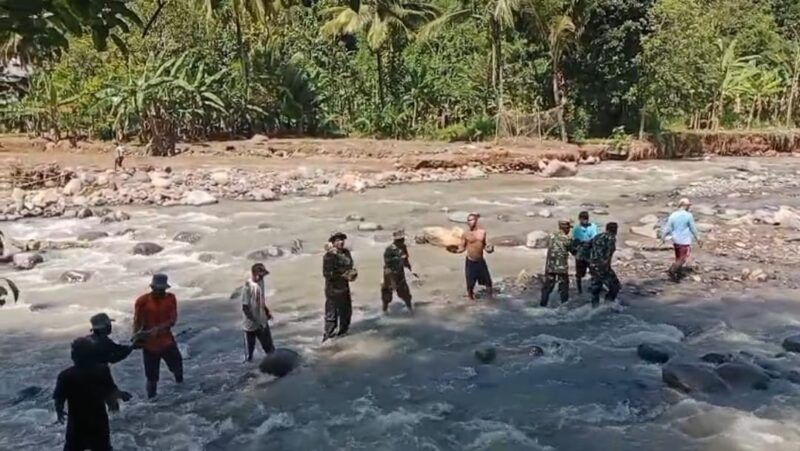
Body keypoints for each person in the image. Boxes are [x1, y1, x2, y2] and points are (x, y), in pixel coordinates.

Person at [54, 337, 130, 451]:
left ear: (73, 356)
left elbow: (59, 398)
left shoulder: (65, 375)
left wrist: (59, 411)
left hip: (77, 423)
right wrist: (119, 397)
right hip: (98, 420)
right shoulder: (102, 370)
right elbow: (110, 390)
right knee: (102, 447)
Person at [132, 273, 183, 399]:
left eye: (161, 289)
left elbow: (173, 320)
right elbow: (137, 321)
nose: (159, 292)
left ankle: (182, 392)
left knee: (178, 369)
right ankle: (151, 402)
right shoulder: (142, 301)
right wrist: (136, 337)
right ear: (152, 287)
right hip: (149, 345)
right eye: (156, 289)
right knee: (152, 378)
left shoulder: (171, 298)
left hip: (167, 342)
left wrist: (158, 329)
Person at [447, 213, 495, 300]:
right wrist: (455, 251)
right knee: (470, 285)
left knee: (488, 283)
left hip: (480, 261)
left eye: (471, 220)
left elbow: (485, 246)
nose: (469, 222)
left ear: (476, 220)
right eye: (468, 220)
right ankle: (471, 302)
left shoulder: (482, 232)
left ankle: (491, 300)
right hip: (470, 262)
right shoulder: (466, 234)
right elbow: (462, 248)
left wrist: (490, 249)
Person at [322, 232, 357, 341]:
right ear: (333, 243)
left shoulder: (346, 253)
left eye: (342, 240)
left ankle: (342, 338)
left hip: (344, 289)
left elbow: (349, 264)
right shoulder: (328, 256)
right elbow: (327, 274)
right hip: (333, 291)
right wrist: (342, 275)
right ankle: (327, 341)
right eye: (337, 240)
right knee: (331, 318)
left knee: (346, 315)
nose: (341, 242)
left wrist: (352, 273)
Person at [661, 198, 702, 282]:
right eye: (688, 205)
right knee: (683, 258)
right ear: (685, 206)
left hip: (675, 240)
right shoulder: (688, 215)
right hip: (684, 241)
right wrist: (698, 239)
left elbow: (667, 228)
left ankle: (677, 276)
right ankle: (672, 271)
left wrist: (663, 237)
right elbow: (693, 228)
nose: (689, 207)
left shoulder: (673, 215)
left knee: (678, 257)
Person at [240, 263, 275, 361]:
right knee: (249, 357)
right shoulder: (247, 287)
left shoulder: (261, 281)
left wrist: (267, 312)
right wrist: (255, 321)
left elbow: (260, 300)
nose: (262, 277)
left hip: (262, 322)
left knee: (270, 349)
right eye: (260, 275)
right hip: (250, 327)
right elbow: (245, 308)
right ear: (254, 274)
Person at [541, 219, 575, 307]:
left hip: (550, 266)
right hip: (561, 268)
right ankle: (564, 306)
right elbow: (574, 251)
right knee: (564, 288)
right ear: (566, 229)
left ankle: (542, 305)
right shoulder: (568, 239)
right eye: (569, 229)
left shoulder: (551, 236)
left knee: (547, 288)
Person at [381, 229, 415, 313]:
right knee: (387, 292)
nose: (402, 241)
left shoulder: (403, 247)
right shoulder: (390, 249)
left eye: (402, 239)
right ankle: (384, 310)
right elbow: (387, 261)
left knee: (405, 292)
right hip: (390, 272)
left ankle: (410, 309)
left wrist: (410, 269)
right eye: (400, 240)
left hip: (400, 272)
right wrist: (399, 258)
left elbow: (406, 259)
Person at [589, 222, 620, 306]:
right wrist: (606, 267)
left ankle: (594, 307)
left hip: (592, 265)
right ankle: (608, 304)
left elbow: (588, 246)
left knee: (596, 287)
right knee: (615, 286)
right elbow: (608, 254)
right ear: (615, 230)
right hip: (602, 266)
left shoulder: (597, 236)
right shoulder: (611, 238)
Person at [571, 211, 598, 294]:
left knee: (594, 272)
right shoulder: (576, 229)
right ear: (579, 219)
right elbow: (575, 242)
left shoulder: (593, 226)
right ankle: (579, 290)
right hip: (580, 254)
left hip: (590, 254)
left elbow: (595, 238)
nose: (585, 221)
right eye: (583, 219)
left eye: (586, 219)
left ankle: (594, 288)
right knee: (579, 274)